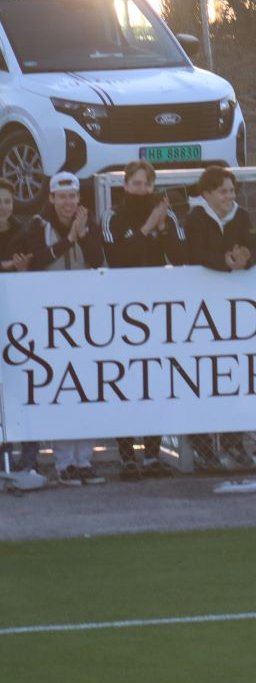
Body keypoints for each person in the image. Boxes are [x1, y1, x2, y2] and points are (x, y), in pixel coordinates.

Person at [22, 172, 106, 486]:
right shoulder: (38, 225)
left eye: (73, 196)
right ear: (52, 198)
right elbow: (36, 261)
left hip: (83, 319)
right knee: (61, 389)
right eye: (62, 196)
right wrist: (69, 239)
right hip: (50, 320)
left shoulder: (89, 224)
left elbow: (97, 261)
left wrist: (82, 235)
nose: (68, 202)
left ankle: (84, 460)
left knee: (86, 389)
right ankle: (64, 463)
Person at [105, 160, 185, 481]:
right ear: (125, 185)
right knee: (124, 383)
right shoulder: (112, 216)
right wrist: (147, 227)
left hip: (158, 310)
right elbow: (118, 258)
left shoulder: (167, 214)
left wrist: (162, 229)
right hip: (123, 311)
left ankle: (152, 455)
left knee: (156, 381)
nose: (142, 190)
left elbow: (181, 257)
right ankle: (127, 456)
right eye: (136, 184)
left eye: (147, 185)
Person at [185, 165, 256, 469]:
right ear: (206, 193)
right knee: (201, 375)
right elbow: (194, 254)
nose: (229, 196)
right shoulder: (195, 218)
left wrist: (248, 258)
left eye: (232, 190)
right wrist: (224, 262)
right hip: (200, 309)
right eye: (223, 192)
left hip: (235, 309)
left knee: (233, 373)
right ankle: (202, 443)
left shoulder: (240, 216)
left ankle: (233, 441)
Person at [0, 177, 44, 490]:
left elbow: (35, 265)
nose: (3, 207)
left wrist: (23, 269)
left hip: (18, 325)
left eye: (7, 201)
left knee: (23, 391)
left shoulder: (25, 230)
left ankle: (29, 461)